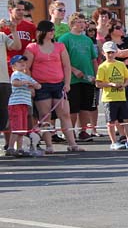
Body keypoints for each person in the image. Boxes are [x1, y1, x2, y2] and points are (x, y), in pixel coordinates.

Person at [23, 21, 83, 153]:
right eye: (49, 30)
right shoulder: (32, 47)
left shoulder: (59, 46)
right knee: (45, 116)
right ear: (42, 31)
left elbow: (66, 65)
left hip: (58, 84)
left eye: (53, 30)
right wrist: (32, 85)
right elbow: (26, 68)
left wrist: (67, 83)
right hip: (41, 85)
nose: (52, 32)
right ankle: (49, 145)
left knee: (65, 114)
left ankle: (72, 144)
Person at [58, 13, 99, 141]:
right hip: (72, 79)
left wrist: (96, 75)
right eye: (79, 22)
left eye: (83, 22)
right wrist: (73, 70)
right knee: (73, 108)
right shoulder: (65, 39)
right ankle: (71, 132)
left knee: (86, 106)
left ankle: (83, 131)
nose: (82, 25)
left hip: (87, 78)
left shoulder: (87, 40)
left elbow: (93, 59)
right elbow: (61, 59)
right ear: (72, 24)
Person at [95, 41, 128, 150]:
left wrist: (123, 85)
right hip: (109, 98)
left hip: (121, 97)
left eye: (112, 52)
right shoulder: (102, 67)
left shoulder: (121, 64)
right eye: (108, 53)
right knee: (111, 121)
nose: (110, 55)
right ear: (103, 53)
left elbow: (127, 79)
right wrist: (110, 84)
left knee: (126, 120)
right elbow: (98, 83)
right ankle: (113, 142)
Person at [7, 55, 39, 157]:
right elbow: (15, 83)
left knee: (22, 128)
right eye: (19, 62)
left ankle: (20, 148)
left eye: (24, 62)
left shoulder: (27, 76)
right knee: (17, 127)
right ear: (13, 66)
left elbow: (39, 85)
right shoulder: (15, 74)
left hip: (25, 104)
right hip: (16, 104)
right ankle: (11, 147)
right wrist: (25, 83)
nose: (22, 63)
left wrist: (33, 85)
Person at [0, 26, 21, 151]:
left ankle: (9, 145)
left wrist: (13, 31)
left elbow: (17, 47)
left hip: (4, 81)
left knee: (6, 115)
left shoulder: (2, 35)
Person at [2, 0, 37, 72]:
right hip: (9, 68)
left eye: (23, 10)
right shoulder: (3, 28)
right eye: (18, 10)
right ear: (10, 10)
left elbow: (38, 45)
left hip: (27, 67)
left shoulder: (31, 26)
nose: (21, 12)